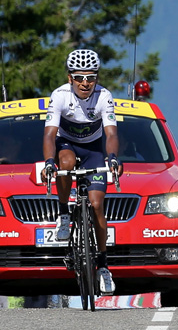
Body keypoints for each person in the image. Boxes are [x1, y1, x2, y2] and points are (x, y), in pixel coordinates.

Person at [41, 48, 121, 295]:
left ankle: (104, 267)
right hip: (67, 145)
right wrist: (48, 162)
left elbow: (111, 133)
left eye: (91, 77)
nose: (85, 83)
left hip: (94, 149)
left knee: (97, 206)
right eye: (79, 78)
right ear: (70, 78)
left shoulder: (104, 96)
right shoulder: (60, 96)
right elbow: (49, 134)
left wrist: (113, 158)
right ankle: (64, 213)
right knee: (64, 163)